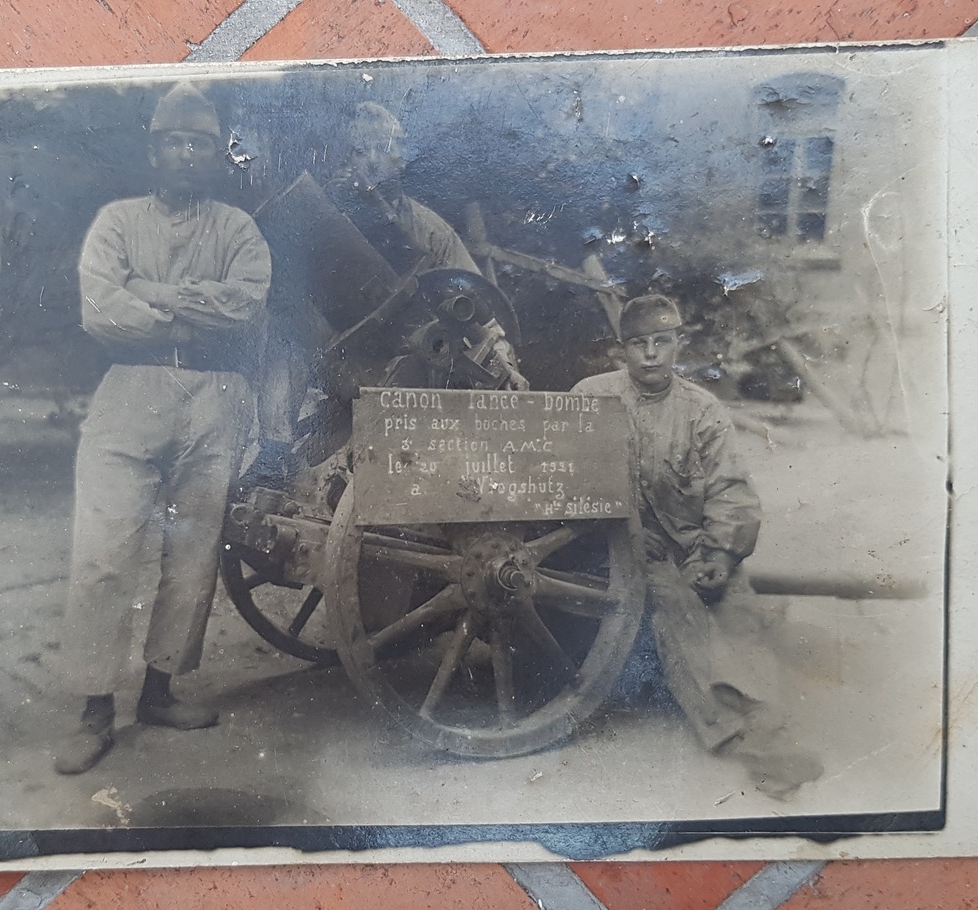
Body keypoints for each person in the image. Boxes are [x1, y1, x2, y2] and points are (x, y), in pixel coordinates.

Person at [52, 82, 272, 775]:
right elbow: (99, 310)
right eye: (174, 142)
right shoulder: (117, 221)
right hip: (129, 388)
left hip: (216, 394)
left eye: (200, 144)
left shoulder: (237, 228)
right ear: (153, 151)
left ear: (216, 155)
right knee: (101, 552)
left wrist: (152, 294)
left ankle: (159, 690)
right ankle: (94, 708)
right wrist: (175, 312)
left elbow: (243, 307)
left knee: (193, 555)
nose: (187, 154)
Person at [572, 294, 822, 799]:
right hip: (623, 550)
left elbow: (730, 489)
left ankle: (769, 722)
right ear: (622, 350)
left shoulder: (702, 411)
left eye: (661, 342)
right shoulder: (591, 398)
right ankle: (746, 742)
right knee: (677, 610)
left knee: (738, 610)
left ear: (678, 344)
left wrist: (720, 555)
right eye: (638, 344)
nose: (650, 355)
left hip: (692, 545)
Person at [251, 101, 523, 483]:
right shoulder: (318, 224)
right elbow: (290, 327)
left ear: (405, 157)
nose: (374, 161)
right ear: (347, 159)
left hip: (424, 382)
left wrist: (502, 358)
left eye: (386, 148)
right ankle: (273, 455)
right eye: (362, 151)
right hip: (347, 379)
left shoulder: (430, 230)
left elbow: (478, 306)